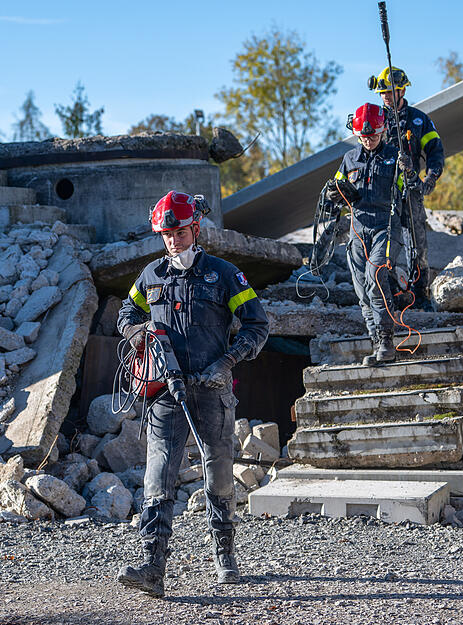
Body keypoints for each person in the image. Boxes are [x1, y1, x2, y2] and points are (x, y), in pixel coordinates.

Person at [115, 190, 269, 598]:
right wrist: (138, 332)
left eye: (179, 233)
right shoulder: (151, 276)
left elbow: (257, 325)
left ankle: (225, 553)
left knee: (218, 472)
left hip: (212, 391)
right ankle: (153, 566)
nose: (173, 241)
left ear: (195, 229)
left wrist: (227, 362)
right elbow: (126, 314)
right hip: (165, 393)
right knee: (158, 475)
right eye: (166, 235)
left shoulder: (223, 274)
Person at [326, 102, 410, 366]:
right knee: (362, 289)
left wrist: (407, 172)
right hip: (357, 229)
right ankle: (376, 343)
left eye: (372, 135)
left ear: (382, 131)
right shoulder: (349, 159)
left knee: (375, 275)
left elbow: (408, 189)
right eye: (363, 136)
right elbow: (337, 186)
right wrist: (334, 195)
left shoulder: (395, 157)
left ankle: (387, 340)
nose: (368, 140)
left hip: (386, 226)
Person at [371, 65, 445, 307]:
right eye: (382, 93)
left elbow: (435, 151)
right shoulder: (375, 118)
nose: (386, 97)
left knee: (417, 244)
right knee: (385, 245)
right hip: (383, 195)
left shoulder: (418, 119)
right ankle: (390, 293)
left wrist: (431, 177)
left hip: (411, 191)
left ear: (402, 91)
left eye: (390, 92)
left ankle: (420, 295)